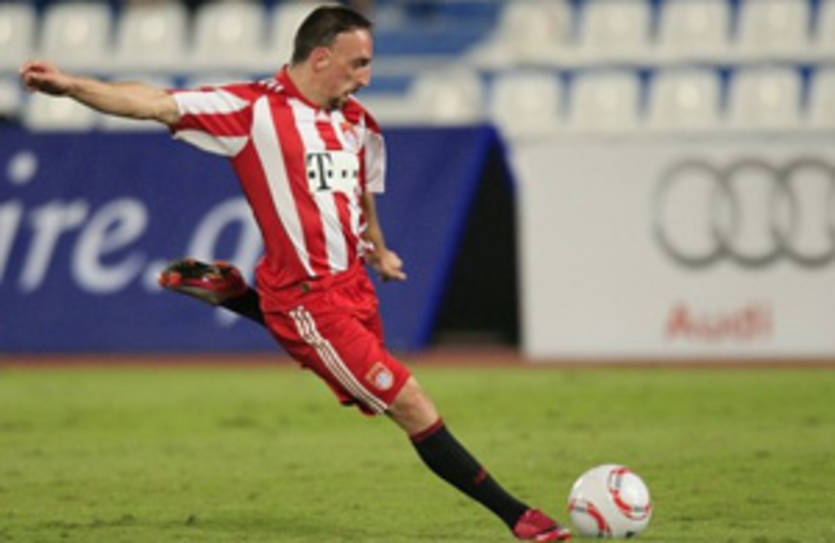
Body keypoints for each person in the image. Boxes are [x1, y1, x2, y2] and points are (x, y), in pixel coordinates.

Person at [20, 6, 570, 541]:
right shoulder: (252, 109)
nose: (366, 78)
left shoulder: (356, 121)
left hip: (351, 287)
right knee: (409, 403)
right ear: (322, 57)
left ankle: (238, 297)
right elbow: (154, 102)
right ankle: (519, 518)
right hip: (308, 298)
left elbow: (360, 189)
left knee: (364, 389)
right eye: (358, 64)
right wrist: (72, 86)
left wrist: (379, 250)